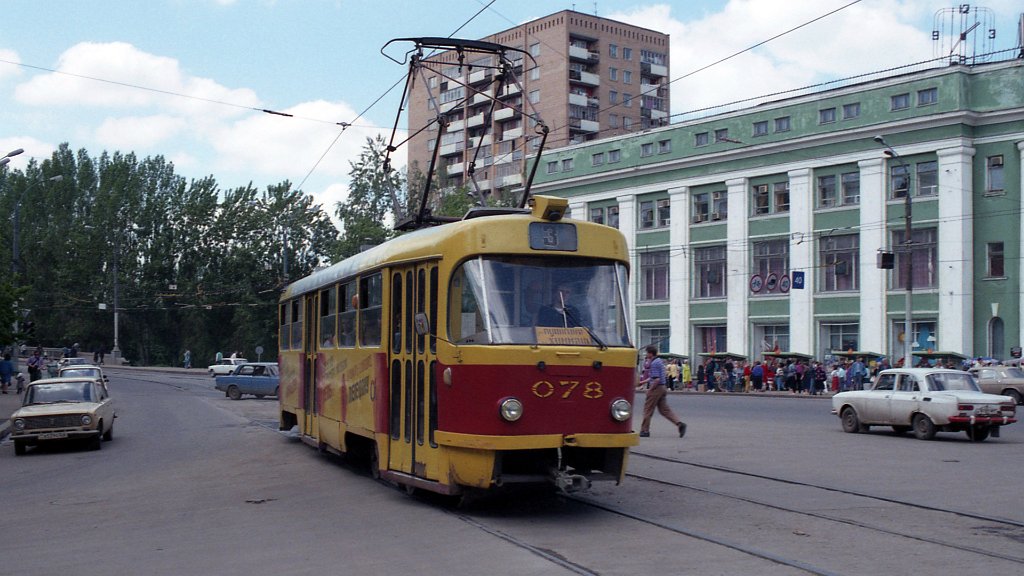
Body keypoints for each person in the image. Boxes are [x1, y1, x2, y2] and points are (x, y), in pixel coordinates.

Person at [637, 345, 687, 438]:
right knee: (664, 410)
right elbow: (653, 377)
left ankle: (644, 430)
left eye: (647, 353)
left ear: (650, 353)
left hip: (656, 388)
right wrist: (642, 382)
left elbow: (656, 379)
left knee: (648, 409)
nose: (646, 355)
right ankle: (679, 424)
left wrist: (650, 390)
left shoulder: (654, 363)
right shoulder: (659, 361)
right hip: (663, 387)